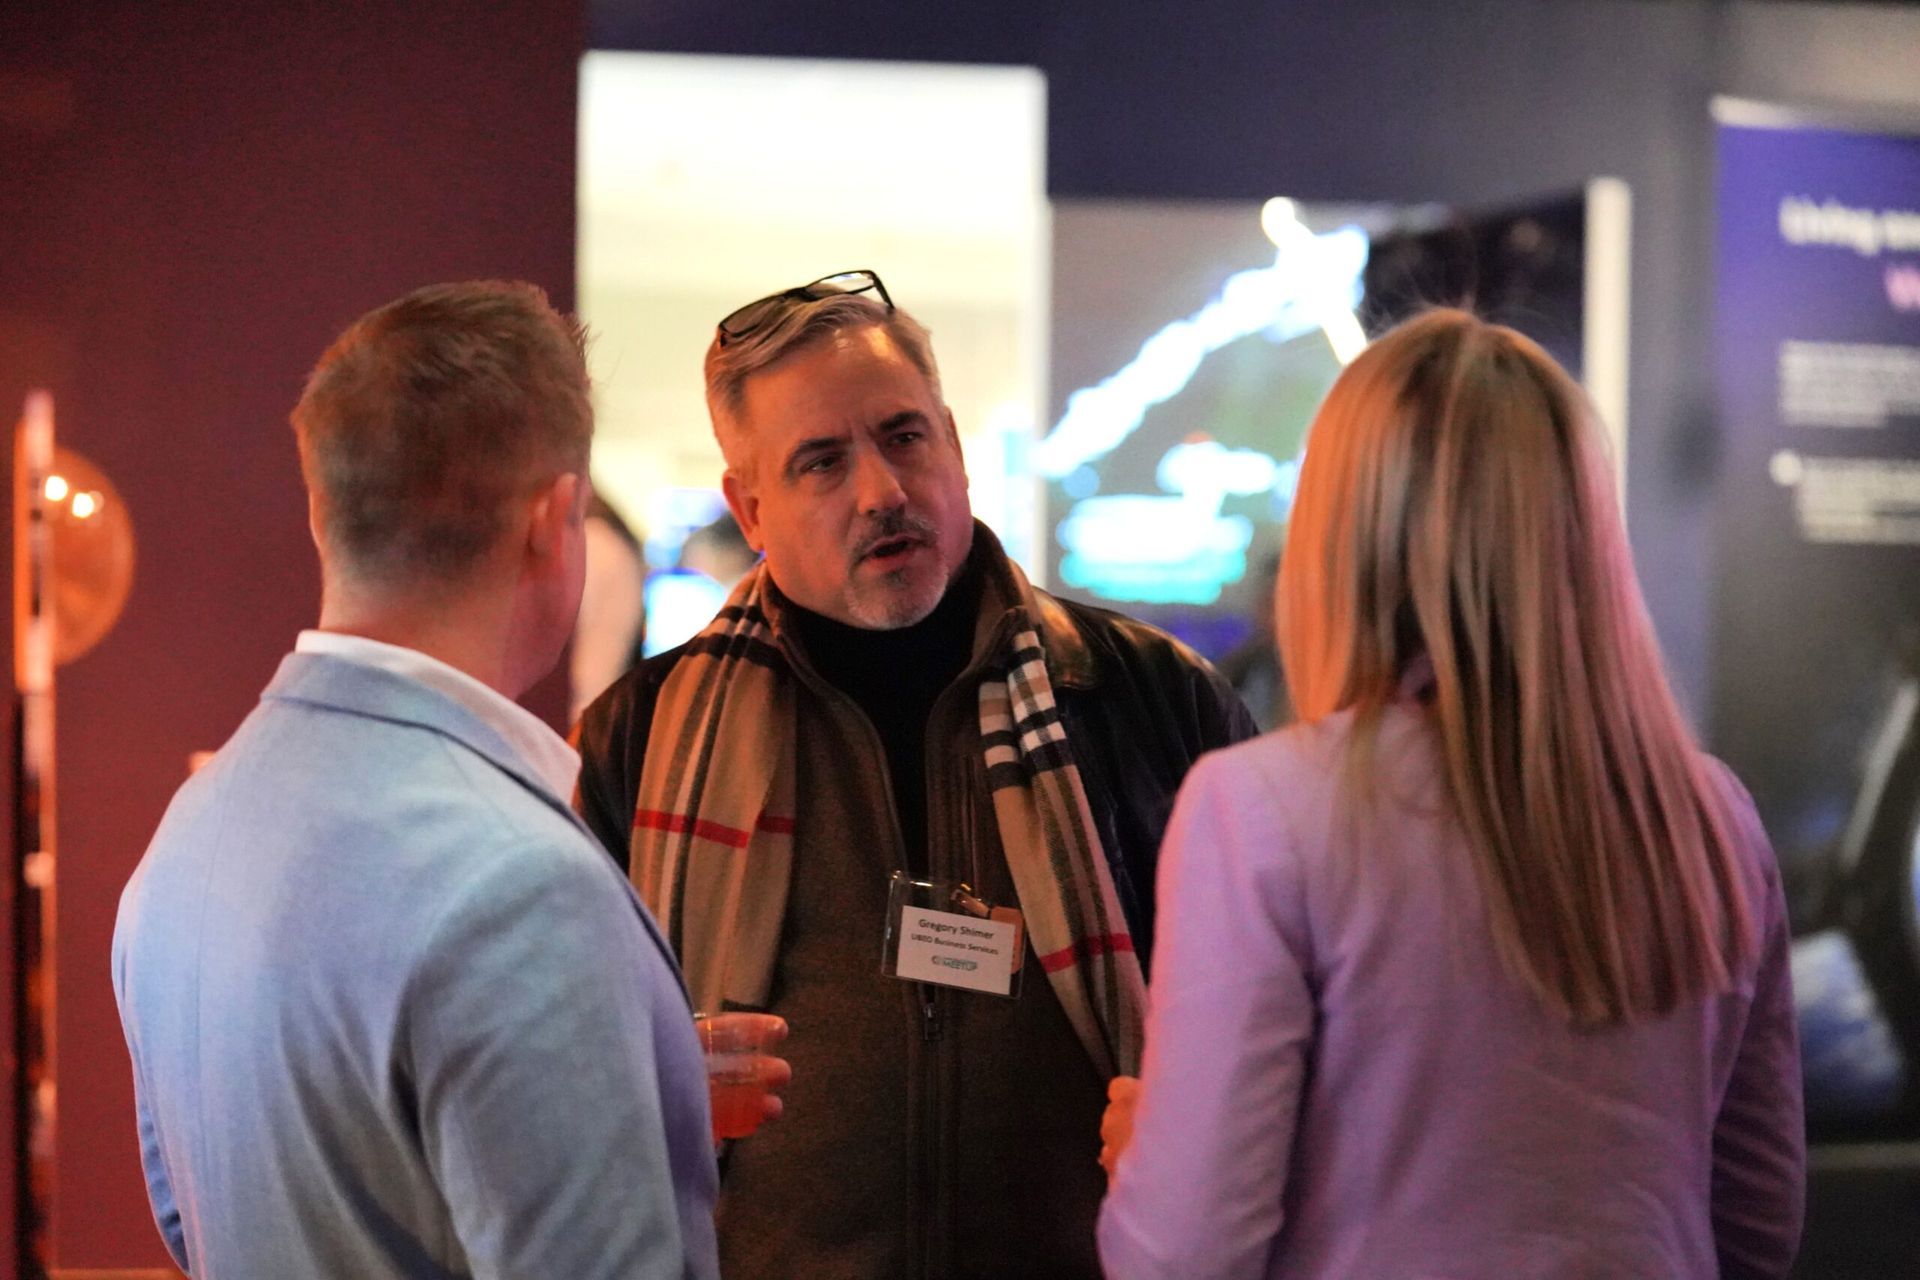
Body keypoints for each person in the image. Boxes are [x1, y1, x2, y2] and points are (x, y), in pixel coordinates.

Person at [574, 269, 1256, 1278]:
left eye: (904, 435)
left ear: (955, 445)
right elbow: (559, 1080)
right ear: (749, 504)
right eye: (820, 461)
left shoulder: (1150, 700)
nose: (882, 490)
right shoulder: (641, 738)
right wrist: (650, 1083)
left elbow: (1282, 1037)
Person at [1097, 309, 1805, 1279]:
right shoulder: (1710, 816)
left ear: (1343, 532)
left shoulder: (1260, 810)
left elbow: (1184, 1255)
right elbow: (1758, 1223)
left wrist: (1153, 1152)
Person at [112, 281, 768, 1279]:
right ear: (558, 522)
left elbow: (187, 1221)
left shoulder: (192, 827)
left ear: (324, 507)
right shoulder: (521, 886)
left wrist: (626, 1091)